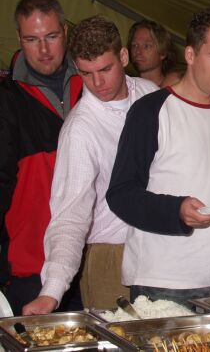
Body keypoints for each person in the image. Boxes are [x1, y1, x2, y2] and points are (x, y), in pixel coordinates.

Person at [106, 8, 210, 306]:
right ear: (190, 55)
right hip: (162, 281)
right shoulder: (151, 111)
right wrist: (176, 211)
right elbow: (121, 194)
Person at [21, 16, 158, 315]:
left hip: (160, 247)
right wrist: (51, 291)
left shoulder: (150, 94)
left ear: (123, 57)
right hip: (110, 256)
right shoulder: (80, 130)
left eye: (105, 69)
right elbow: (69, 216)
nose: (97, 83)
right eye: (86, 73)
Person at [0, 0, 84, 315]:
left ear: (66, 32)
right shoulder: (8, 100)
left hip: (92, 259)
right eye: (32, 39)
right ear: (19, 38)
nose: (44, 50)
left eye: (51, 36)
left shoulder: (93, 86)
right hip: (31, 265)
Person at [128, 19, 181, 87]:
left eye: (146, 46)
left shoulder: (172, 89)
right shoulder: (128, 88)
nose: (138, 51)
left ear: (163, 53)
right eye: (134, 45)